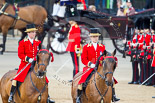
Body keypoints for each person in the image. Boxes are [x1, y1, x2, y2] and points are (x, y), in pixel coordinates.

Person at [8, 24, 55, 103]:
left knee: (45, 80)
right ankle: (11, 95)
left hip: (36, 65)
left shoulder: (38, 42)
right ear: (28, 33)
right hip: (25, 64)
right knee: (17, 78)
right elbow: (20, 54)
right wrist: (28, 59)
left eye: (34, 32)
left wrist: (47, 53)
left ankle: (47, 97)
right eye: (32, 32)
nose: (34, 34)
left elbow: (41, 52)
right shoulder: (23, 42)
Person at [76, 28, 120, 103]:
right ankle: (79, 97)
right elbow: (83, 59)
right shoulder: (86, 46)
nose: (95, 38)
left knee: (112, 80)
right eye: (93, 37)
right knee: (82, 80)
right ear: (90, 37)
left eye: (96, 36)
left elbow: (104, 57)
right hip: (89, 67)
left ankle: (113, 96)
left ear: (98, 37)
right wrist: (90, 64)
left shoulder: (102, 47)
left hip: (100, 67)